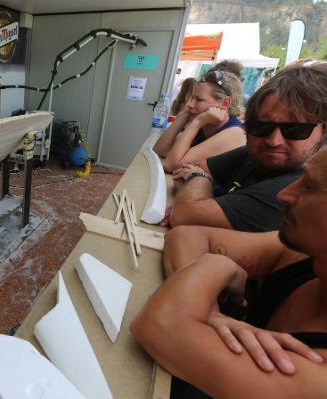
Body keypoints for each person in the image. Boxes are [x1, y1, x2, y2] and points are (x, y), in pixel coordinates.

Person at [131, 142, 327, 398]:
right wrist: (209, 311)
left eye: (309, 186)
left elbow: (160, 325)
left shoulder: (319, 378)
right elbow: (187, 236)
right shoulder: (302, 253)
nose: (284, 195)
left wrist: (214, 265)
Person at [165, 60, 327, 232]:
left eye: (294, 129)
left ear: (323, 131)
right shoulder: (256, 154)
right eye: (261, 126)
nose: (274, 141)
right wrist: (199, 197)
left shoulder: (295, 187)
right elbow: (183, 172)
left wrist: (198, 181)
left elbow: (183, 215)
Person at [154, 70, 246, 173]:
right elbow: (160, 150)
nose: (190, 104)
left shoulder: (235, 133)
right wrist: (183, 116)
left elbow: (170, 165)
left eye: (199, 99)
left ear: (224, 103)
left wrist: (197, 122)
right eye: (192, 98)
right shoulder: (206, 125)